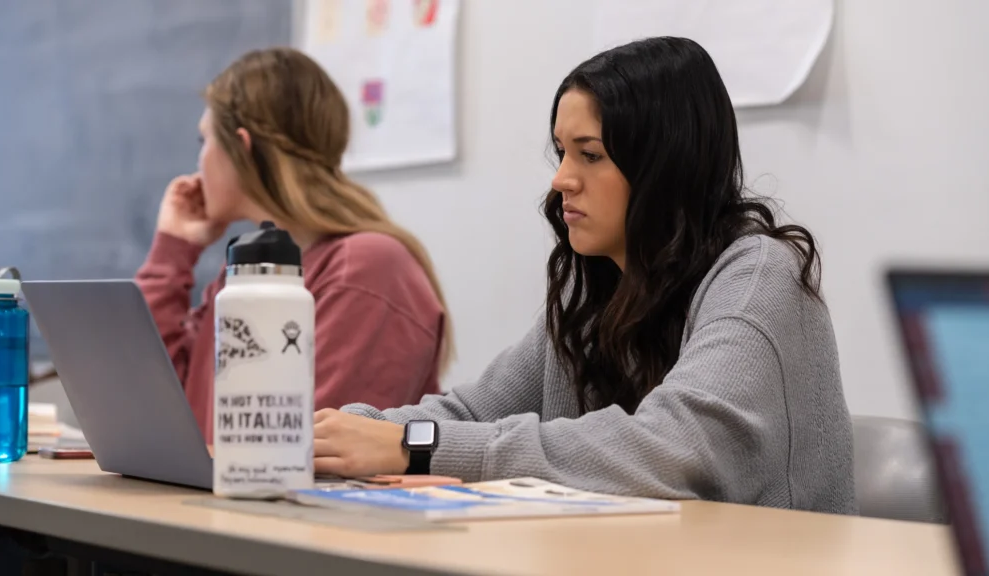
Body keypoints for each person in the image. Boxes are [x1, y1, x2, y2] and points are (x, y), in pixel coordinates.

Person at [310, 37, 856, 514]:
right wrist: (335, 433)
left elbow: (672, 448)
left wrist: (416, 447)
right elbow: (472, 411)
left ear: (664, 164)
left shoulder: (761, 276)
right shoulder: (598, 286)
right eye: (562, 152)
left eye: (589, 155)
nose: (561, 180)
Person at [135, 48, 453, 444]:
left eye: (205, 140)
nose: (199, 161)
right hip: (210, 501)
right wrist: (172, 252)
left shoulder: (367, 269)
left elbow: (300, 450)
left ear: (242, 147)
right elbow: (153, 402)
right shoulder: (250, 273)